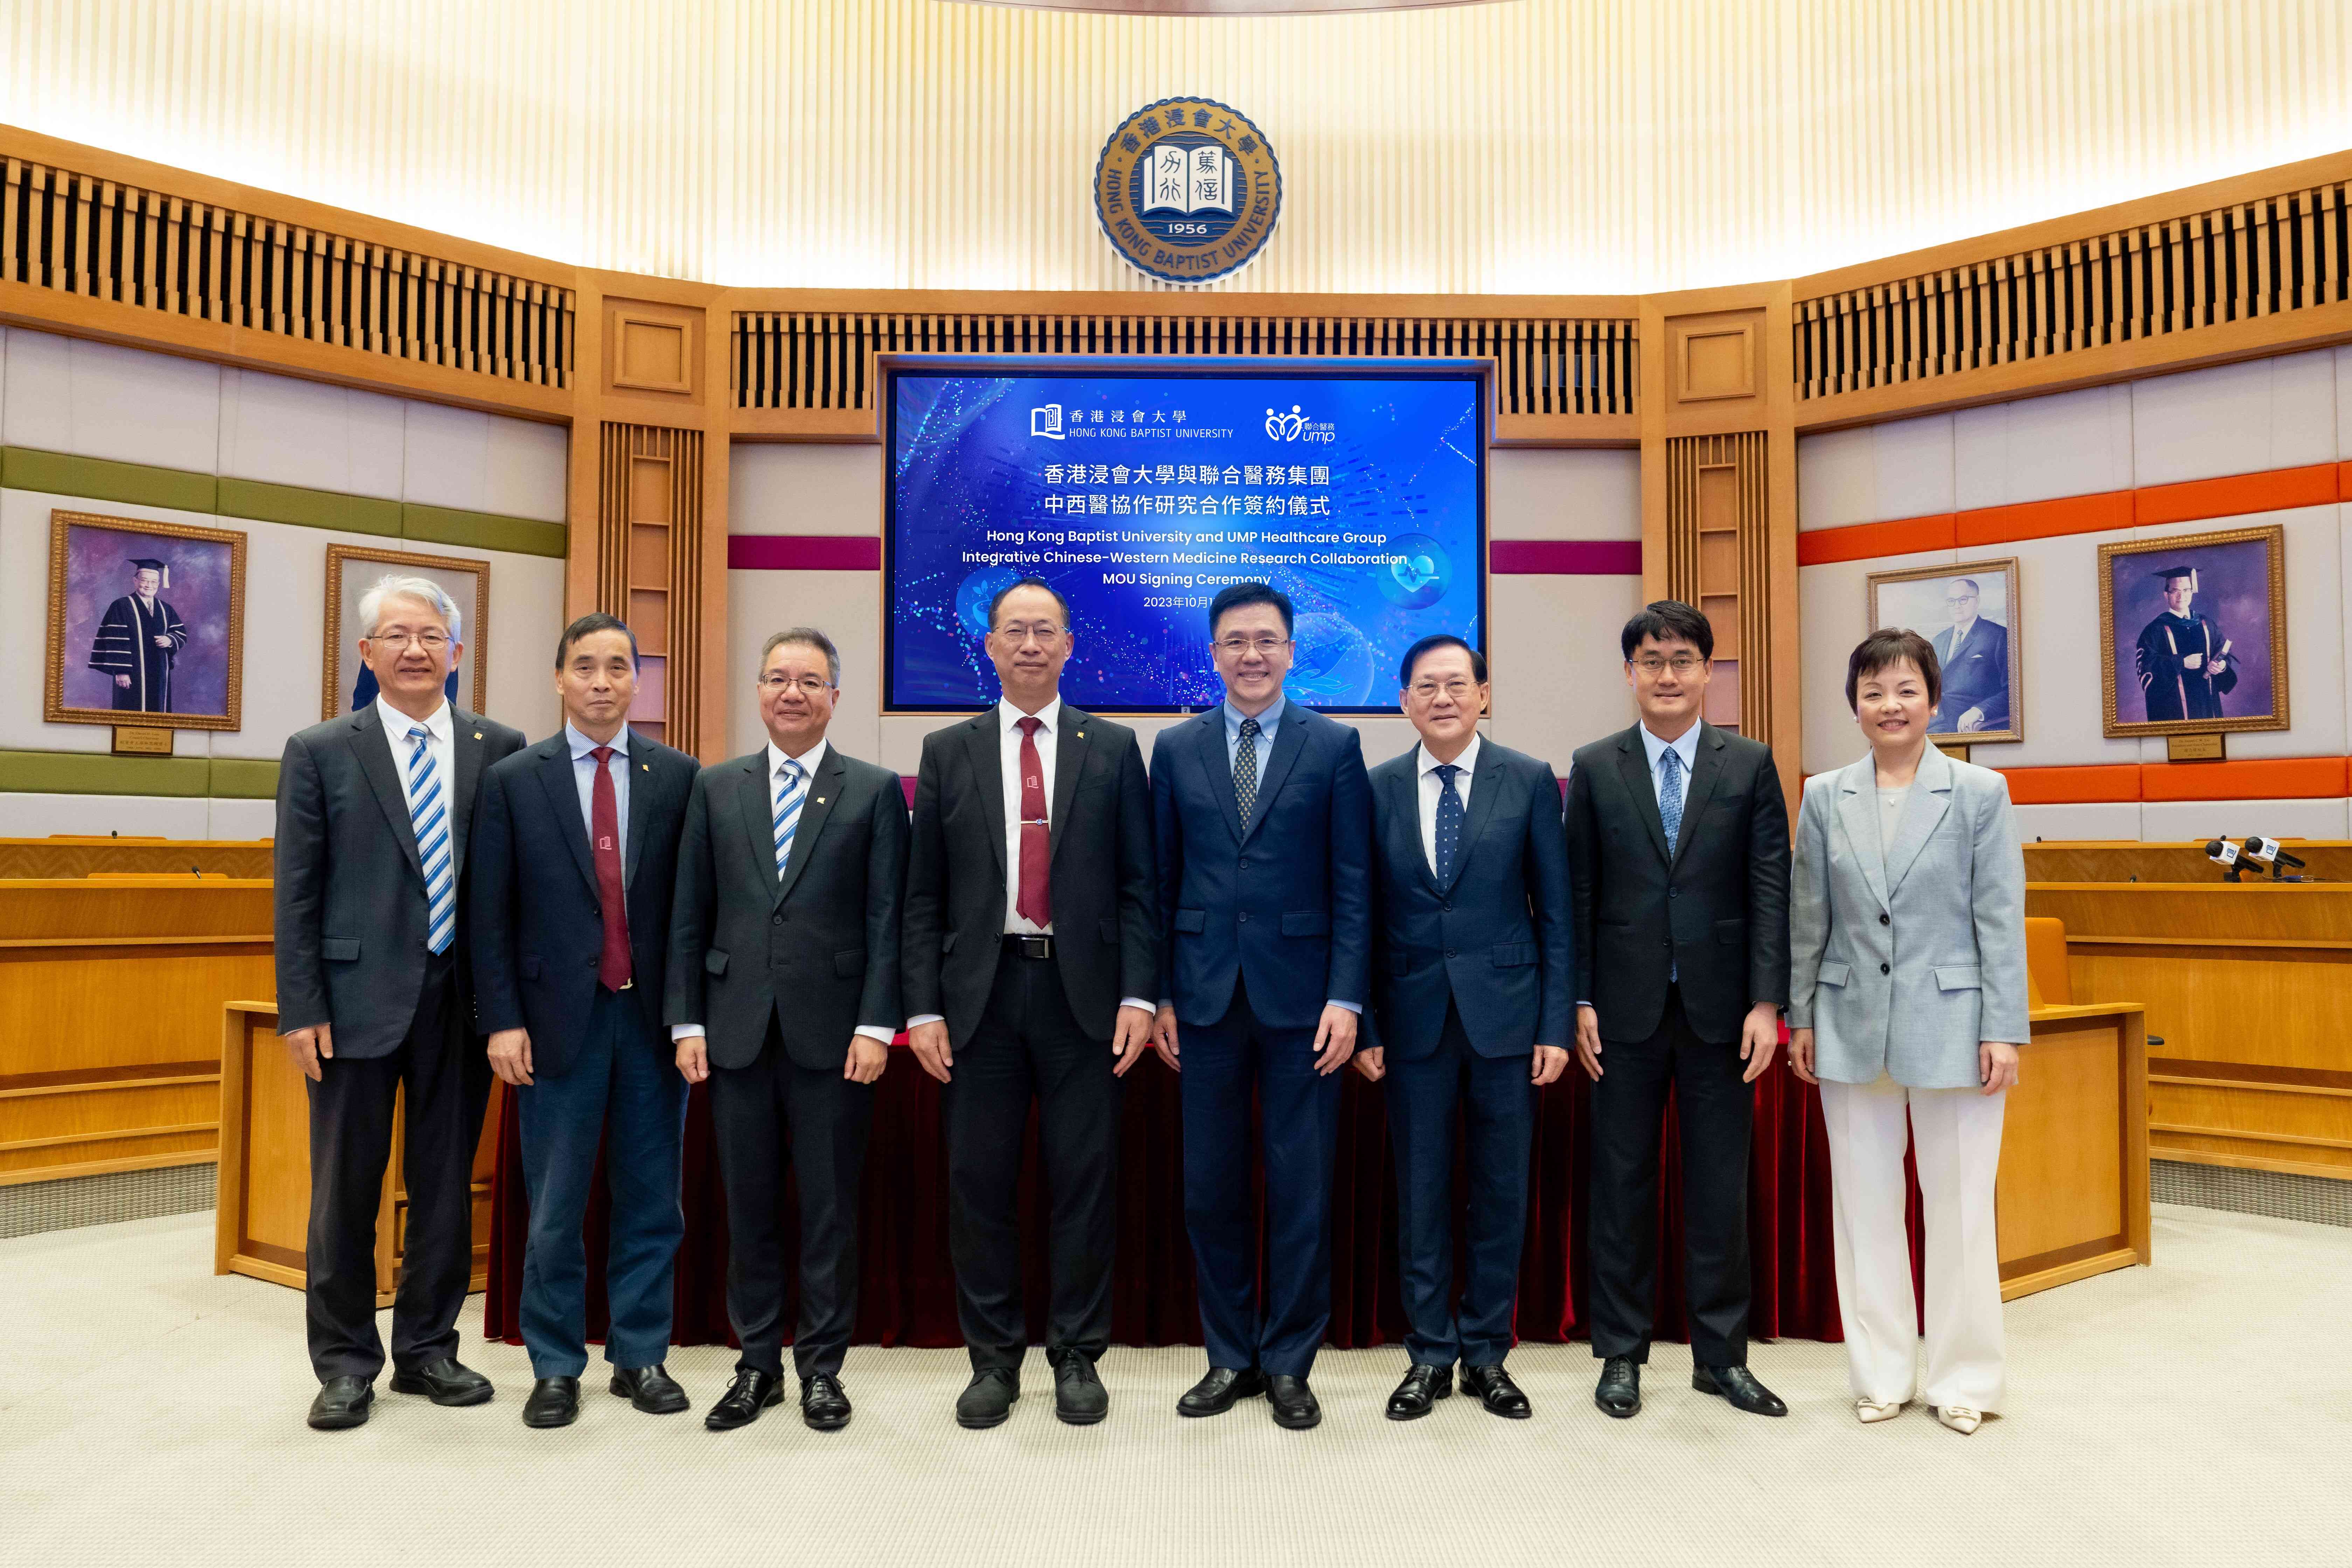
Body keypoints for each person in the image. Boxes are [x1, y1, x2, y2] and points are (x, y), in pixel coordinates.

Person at [902, 578, 1158, 1430]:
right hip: (979, 993)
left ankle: (1077, 1353)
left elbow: (1137, 885)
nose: (1029, 644)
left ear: (1070, 644)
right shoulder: (948, 750)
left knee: (1083, 1181)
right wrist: (923, 1008)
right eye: (1013, 630)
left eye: (1045, 630)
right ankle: (993, 1360)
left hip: (1083, 993)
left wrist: (1138, 991)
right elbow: (922, 896)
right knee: (977, 1181)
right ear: (989, 644)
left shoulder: (1115, 747)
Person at [273, 574, 525, 1431]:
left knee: (445, 1185)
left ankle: (427, 1349)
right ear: (367, 651)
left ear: (457, 652)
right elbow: (295, 892)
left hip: (462, 1005)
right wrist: (300, 1006)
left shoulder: (502, 745)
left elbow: (510, 889)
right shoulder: (319, 749)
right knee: (344, 1190)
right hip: (349, 1005)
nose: (414, 649)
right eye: (396, 635)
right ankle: (344, 1362)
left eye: (431, 635)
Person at [666, 627, 908, 1434]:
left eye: (809, 680)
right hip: (733, 1031)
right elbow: (688, 913)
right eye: (777, 678)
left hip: (837, 1036)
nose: (792, 692)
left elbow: (887, 919)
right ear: (759, 692)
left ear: (835, 696)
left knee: (830, 1208)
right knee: (751, 1206)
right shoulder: (715, 786)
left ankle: (822, 1369)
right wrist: (687, 1018)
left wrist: (879, 1024)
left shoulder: (872, 791)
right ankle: (756, 1363)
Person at [1788, 628, 2027, 1436]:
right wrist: (1802, 1014)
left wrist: (2003, 1026)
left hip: (1956, 1024)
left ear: (1931, 698)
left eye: (1904, 690)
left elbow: (1998, 917)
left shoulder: (1979, 791)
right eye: (1872, 692)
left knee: (1959, 1210)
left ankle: (1964, 1377)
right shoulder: (1823, 795)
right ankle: (1880, 1372)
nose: (1889, 705)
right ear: (1852, 704)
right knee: (1864, 1209)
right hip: (1849, 1020)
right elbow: (1807, 917)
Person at [468, 613, 700, 1429]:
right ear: (559, 678)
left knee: (651, 1199)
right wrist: (500, 1018)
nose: (601, 681)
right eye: (585, 666)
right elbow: (488, 912)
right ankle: (556, 1363)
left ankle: (639, 1355)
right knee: (556, 1204)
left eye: (617, 667)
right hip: (552, 1022)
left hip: (648, 1019)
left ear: (639, 680)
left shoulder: (678, 776)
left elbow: (691, 911)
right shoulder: (513, 777)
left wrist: (689, 1017)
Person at [1150, 581, 1372, 1431]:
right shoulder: (1174, 748)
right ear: (1213, 654)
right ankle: (1228, 1353)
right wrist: (1162, 990)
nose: (1251, 654)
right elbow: (1160, 881)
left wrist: (1346, 996)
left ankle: (1288, 1360)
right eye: (1234, 641)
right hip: (1202, 1000)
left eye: (1266, 640)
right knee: (1209, 1187)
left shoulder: (1333, 744)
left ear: (1290, 650)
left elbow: (1353, 884)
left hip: (1304, 1003)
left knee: (1300, 1186)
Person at [1566, 599, 1791, 1421]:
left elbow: (1771, 887)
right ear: (1629, 672)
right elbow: (1575, 893)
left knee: (1716, 1188)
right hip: (1618, 1013)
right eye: (1650, 660)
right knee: (1619, 1186)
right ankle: (1619, 1354)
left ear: (1707, 671)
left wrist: (1768, 1000)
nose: (1666, 674)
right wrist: (1578, 996)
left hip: (1721, 1012)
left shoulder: (1749, 763)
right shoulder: (1594, 765)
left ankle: (1719, 1358)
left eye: (1681, 660)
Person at [1357, 635, 1573, 1422]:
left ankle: (1487, 1352)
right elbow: (1364, 918)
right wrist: (1368, 1021)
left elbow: (1555, 912)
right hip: (1410, 1020)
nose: (1442, 697)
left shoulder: (1526, 780)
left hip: (1509, 1020)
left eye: (1457, 683)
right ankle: (1429, 1355)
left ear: (1484, 693)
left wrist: (1555, 1020)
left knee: (1499, 1189)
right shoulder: (1374, 787)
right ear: (1404, 701)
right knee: (1420, 1192)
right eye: (1425, 686)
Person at [2135, 565, 2237, 721]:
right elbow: (2146, 668)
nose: (2182, 596)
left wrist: (2221, 667)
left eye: (2187, 590)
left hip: (2207, 707)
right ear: (2166, 595)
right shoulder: (2155, 630)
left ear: (2192, 592)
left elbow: (2223, 654)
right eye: (2175, 591)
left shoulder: (2206, 624)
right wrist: (2181, 663)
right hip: (2173, 710)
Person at [89, 556, 188, 713]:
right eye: (145, 581)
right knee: (130, 710)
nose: (149, 585)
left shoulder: (165, 609)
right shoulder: (121, 606)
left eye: (154, 582)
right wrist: (121, 671)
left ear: (159, 584)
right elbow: (115, 641)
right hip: (131, 673)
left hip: (160, 672)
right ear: (135, 581)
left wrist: (170, 640)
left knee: (159, 711)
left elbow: (180, 633)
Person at [1927, 577, 2008, 734]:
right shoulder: (1939, 640)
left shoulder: (1998, 636)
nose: (1957, 606)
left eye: (1963, 600)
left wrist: (1979, 710)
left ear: (1977, 601)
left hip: (1969, 723)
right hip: (1936, 722)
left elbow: (2012, 691)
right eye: (1952, 601)